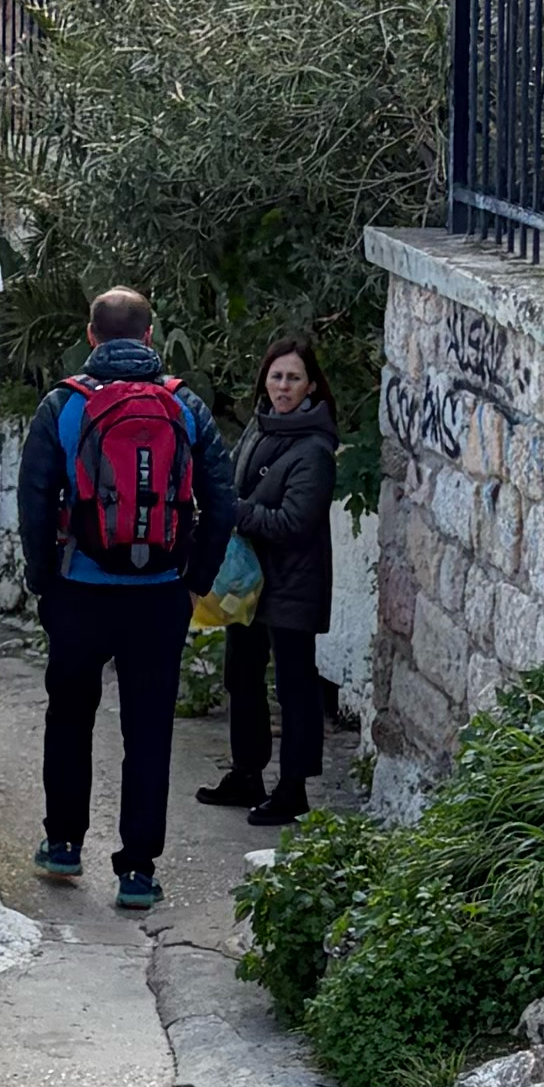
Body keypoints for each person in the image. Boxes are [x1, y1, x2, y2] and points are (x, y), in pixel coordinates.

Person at [17, 284, 236, 904]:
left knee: (69, 716)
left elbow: (35, 503)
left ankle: (64, 844)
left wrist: (44, 582)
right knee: (148, 731)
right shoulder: (185, 405)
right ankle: (138, 871)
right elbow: (223, 504)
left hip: (80, 590)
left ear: (91, 336)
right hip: (159, 594)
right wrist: (194, 581)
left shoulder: (64, 405)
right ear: (150, 336)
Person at [197, 337, 340, 825]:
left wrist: (236, 512)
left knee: (295, 686)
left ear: (311, 386)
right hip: (249, 583)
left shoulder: (315, 450)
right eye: (276, 376)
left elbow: (294, 522)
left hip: (294, 582)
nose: (283, 386)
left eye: (294, 378)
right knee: (241, 675)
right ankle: (247, 774)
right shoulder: (259, 427)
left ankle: (293, 788)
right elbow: (232, 483)